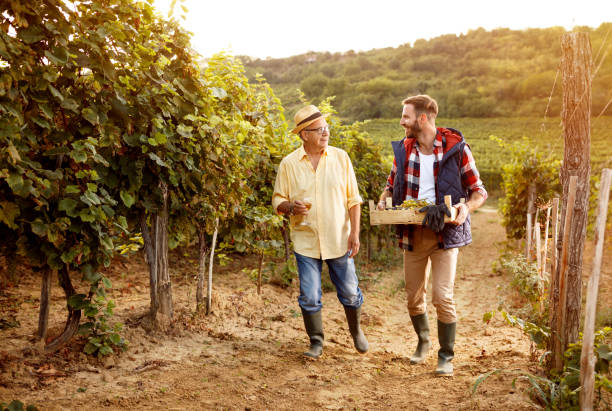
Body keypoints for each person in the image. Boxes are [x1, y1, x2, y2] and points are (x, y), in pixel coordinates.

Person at [377, 94, 487, 376]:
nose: (402, 121)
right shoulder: (404, 149)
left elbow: (479, 192)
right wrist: (383, 200)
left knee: (442, 296)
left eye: (406, 116)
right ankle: (423, 340)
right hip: (412, 234)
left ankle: (446, 356)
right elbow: (390, 186)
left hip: (444, 234)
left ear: (422, 119)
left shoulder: (456, 149)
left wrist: (466, 207)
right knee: (414, 297)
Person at [272, 104, 368, 359]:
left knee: (349, 292)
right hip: (306, 241)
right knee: (310, 296)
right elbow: (277, 201)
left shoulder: (341, 158)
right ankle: (316, 341)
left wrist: (355, 233)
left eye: (326, 128)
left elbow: (354, 200)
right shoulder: (289, 164)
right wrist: (290, 207)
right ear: (304, 134)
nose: (326, 133)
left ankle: (356, 330)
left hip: (338, 239)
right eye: (319, 130)